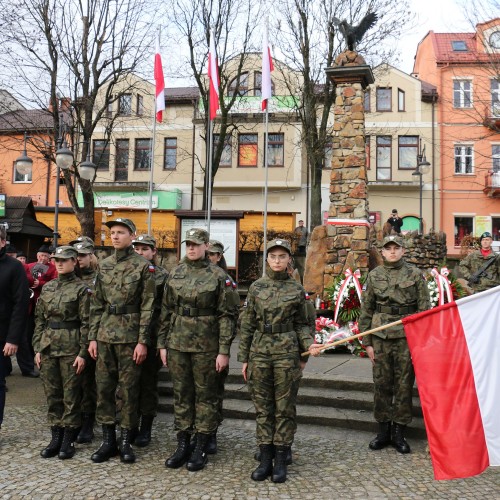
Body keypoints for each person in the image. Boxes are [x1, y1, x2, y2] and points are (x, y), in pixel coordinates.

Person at [238, 238, 319, 483]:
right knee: (263, 408)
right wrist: (244, 358)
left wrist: (307, 349)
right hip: (260, 352)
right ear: (267, 260)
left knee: (284, 408)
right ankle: (265, 457)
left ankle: (282, 458)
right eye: (272, 256)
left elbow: (303, 325)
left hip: (286, 352)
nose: (276, 260)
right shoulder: (256, 288)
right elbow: (247, 324)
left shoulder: (296, 290)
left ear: (288, 261)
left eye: (281, 257)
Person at [158, 228, 232, 472]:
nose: (191, 248)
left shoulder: (218, 276)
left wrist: (223, 350)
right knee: (182, 394)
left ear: (206, 246)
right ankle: (183, 443)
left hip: (206, 345)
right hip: (178, 342)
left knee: (205, 395)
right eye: (188, 244)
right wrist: (162, 343)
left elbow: (227, 315)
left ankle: (201, 444)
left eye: (196, 244)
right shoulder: (175, 273)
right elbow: (166, 311)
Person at [88, 218, 155, 464]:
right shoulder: (103, 266)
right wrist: (92, 338)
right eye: (112, 232)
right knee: (104, 388)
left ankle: (126, 441)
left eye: (121, 232)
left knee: (128, 390)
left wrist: (142, 341)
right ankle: (108, 440)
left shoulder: (142, 266)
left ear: (132, 235)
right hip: (105, 335)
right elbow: (96, 305)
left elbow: (148, 306)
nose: (115, 237)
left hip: (130, 336)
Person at [358, 235, 430, 455]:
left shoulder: (415, 275)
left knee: (403, 385)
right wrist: (367, 342)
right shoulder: (374, 275)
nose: (392, 252)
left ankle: (399, 432)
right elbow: (367, 309)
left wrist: (419, 341)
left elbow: (424, 309)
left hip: (406, 338)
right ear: (382, 251)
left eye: (396, 248)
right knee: (381, 385)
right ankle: (383, 431)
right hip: (379, 336)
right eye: (388, 248)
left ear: (403, 251)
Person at [33, 245, 90, 460]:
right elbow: (39, 320)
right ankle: (55, 436)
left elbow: (87, 323)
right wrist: (37, 347)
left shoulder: (82, 289)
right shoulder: (48, 288)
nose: (59, 263)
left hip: (71, 346)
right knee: (52, 394)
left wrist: (83, 353)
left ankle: (68, 438)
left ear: (74, 262)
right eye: (57, 259)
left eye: (64, 260)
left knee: (71, 395)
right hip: (48, 346)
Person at [131, 234, 168, 447]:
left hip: (151, 336)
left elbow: (165, 311)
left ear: (154, 252)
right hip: (126, 334)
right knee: (128, 384)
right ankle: (129, 425)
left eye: (145, 249)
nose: (141, 253)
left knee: (147, 384)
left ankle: (145, 428)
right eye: (137, 249)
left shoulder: (162, 276)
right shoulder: (127, 271)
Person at [206, 239, 240, 454]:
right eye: (206, 253)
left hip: (215, 344)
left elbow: (230, 317)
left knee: (213, 392)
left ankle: (211, 432)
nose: (208, 258)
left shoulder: (225, 281)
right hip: (193, 344)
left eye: (212, 254)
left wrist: (223, 349)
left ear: (219, 257)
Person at [0, 225, 30, 432]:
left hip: (2, 336)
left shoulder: (13, 266)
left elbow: (20, 304)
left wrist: (13, 339)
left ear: (2, 242)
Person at [72, 239, 99, 444]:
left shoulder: (99, 279)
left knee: (88, 381)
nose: (79, 259)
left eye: (82, 255)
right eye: (76, 256)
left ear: (91, 256)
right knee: (73, 382)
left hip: (92, 336)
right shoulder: (68, 279)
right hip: (70, 337)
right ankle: (73, 420)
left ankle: (88, 421)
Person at [25, 244, 58, 374]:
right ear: (37, 256)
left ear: (49, 257)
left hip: (43, 302)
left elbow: (55, 281)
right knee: (28, 331)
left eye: (45, 256)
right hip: (29, 302)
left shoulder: (53, 268)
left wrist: (41, 284)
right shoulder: (29, 266)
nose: (42, 258)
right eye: (41, 255)